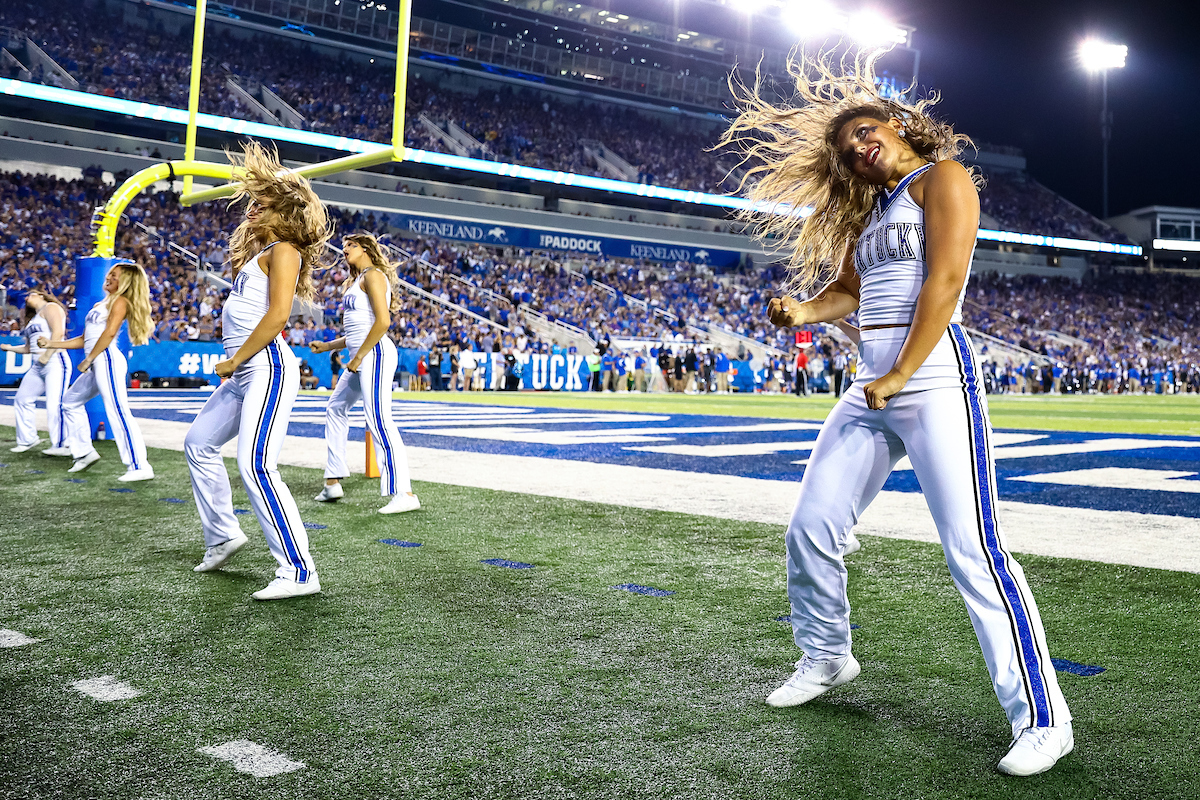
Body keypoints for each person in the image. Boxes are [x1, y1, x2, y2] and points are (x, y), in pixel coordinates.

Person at [721, 50, 1072, 775]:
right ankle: (826, 656)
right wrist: (804, 311)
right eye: (845, 147)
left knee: (976, 552)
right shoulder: (873, 212)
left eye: (864, 130)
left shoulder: (943, 179)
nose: (855, 145)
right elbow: (846, 291)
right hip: (871, 386)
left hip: (936, 381)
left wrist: (902, 371)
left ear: (896, 123)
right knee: (812, 526)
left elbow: (945, 281)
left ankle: (1043, 719)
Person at [183, 142, 325, 601]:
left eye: (259, 204)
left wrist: (235, 359)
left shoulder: (285, 250)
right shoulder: (260, 252)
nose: (250, 209)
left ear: (281, 211)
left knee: (256, 464)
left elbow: (280, 315)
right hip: (246, 374)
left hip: (266, 367)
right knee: (198, 443)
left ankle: (299, 572)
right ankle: (223, 534)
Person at [311, 233, 419, 515]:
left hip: (376, 355)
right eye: (344, 246)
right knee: (335, 407)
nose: (345, 250)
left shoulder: (374, 276)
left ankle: (404, 492)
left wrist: (358, 357)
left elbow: (383, 322)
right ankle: (333, 480)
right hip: (361, 356)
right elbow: (357, 332)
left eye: (351, 246)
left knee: (379, 420)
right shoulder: (355, 281)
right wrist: (328, 346)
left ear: (366, 249)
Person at [43, 262, 154, 481]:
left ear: (126, 282)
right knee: (69, 402)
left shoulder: (121, 301)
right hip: (97, 360)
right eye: (110, 273)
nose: (109, 277)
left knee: (118, 410)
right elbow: (85, 339)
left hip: (107, 360)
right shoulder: (103, 302)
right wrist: (51, 344)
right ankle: (84, 451)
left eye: (115, 275)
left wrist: (89, 359)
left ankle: (140, 466)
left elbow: (110, 333)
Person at [3, 290, 70, 454]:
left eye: (30, 294)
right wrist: (8, 348)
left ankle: (62, 445)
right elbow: (28, 348)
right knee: (22, 399)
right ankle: (28, 440)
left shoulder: (51, 307)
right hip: (38, 365)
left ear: (41, 295)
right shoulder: (33, 319)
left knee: (55, 404)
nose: (26, 298)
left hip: (55, 360)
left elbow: (58, 333)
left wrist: (47, 355)